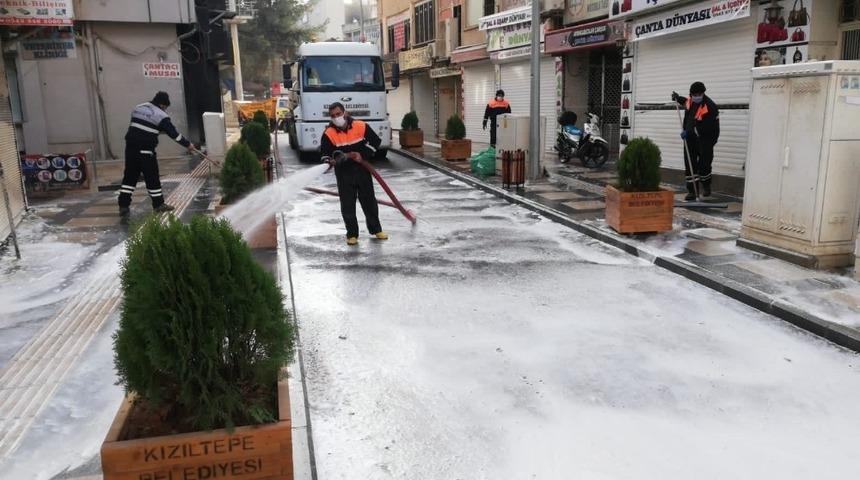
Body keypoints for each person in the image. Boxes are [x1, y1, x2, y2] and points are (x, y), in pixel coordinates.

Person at [320, 102, 388, 246]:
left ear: (345, 112)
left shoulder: (360, 126)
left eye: (338, 114)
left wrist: (362, 155)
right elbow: (325, 152)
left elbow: (376, 141)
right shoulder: (329, 133)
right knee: (347, 204)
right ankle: (352, 234)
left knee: (369, 201)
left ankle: (376, 230)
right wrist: (328, 160)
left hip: (362, 170)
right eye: (333, 116)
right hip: (344, 173)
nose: (336, 117)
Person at [119, 91, 195, 217]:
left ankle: (123, 205)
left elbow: (143, 125)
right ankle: (158, 204)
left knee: (129, 177)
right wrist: (188, 145)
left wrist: (156, 129)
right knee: (152, 177)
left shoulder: (139, 107)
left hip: (130, 149)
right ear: (163, 105)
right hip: (145, 150)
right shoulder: (161, 116)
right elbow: (174, 135)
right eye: (165, 107)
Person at [672, 82, 719, 201]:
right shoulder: (691, 101)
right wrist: (677, 98)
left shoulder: (710, 107)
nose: (696, 96)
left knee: (704, 165)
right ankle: (692, 191)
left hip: (705, 140)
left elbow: (707, 128)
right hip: (690, 139)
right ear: (691, 94)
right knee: (690, 165)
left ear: (703, 93)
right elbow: (685, 102)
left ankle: (706, 186)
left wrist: (689, 131)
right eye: (694, 94)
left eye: (699, 94)